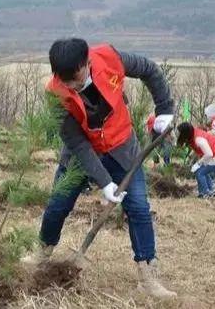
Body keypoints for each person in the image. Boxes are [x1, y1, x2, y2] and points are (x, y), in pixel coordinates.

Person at [29, 38, 176, 298]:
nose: (72, 87)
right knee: (57, 204)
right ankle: (42, 252)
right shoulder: (55, 93)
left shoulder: (109, 58)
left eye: (75, 79)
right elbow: (76, 141)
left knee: (139, 208)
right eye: (65, 82)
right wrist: (105, 181)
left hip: (122, 148)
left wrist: (164, 110)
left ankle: (147, 276)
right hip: (81, 154)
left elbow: (150, 70)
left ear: (86, 63)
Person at [176, 122, 215, 198]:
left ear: (185, 133)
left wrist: (198, 163)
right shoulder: (193, 134)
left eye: (180, 133)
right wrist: (190, 157)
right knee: (203, 170)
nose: (178, 135)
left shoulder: (198, 139)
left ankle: (204, 193)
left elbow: (209, 154)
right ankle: (211, 189)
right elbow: (198, 148)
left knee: (200, 172)